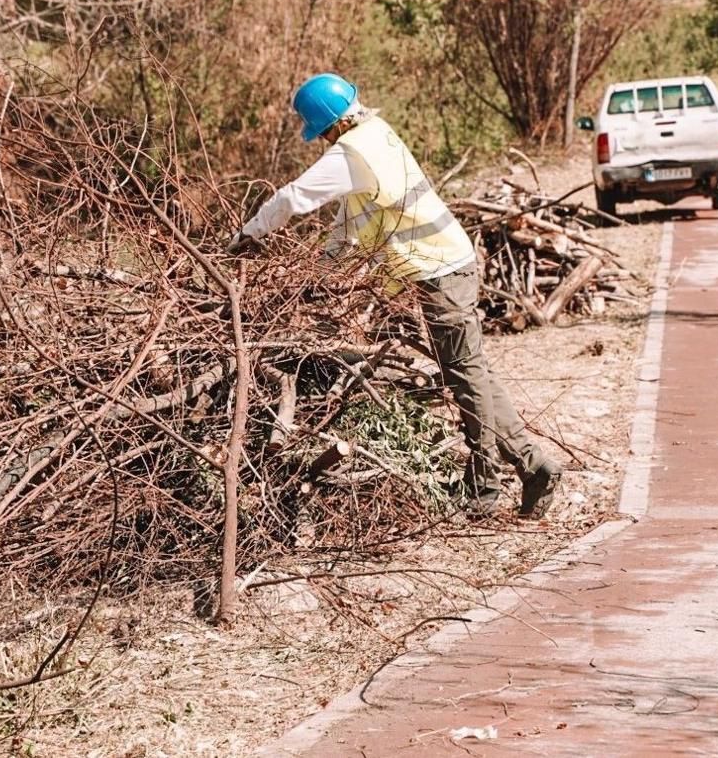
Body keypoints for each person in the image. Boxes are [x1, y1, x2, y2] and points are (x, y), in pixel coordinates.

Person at [228, 73, 561, 518]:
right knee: (469, 373)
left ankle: (486, 486)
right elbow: (351, 222)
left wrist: (250, 232)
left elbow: (293, 197)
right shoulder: (374, 137)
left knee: (466, 377)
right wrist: (317, 275)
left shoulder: (351, 152)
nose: (321, 140)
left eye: (320, 131)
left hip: (440, 270)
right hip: (442, 268)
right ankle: (533, 465)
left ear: (330, 123)